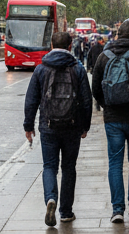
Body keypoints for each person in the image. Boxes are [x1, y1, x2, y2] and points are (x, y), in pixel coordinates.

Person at [23, 30, 92, 226]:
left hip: (48, 126)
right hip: (72, 127)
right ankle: (66, 212)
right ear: (70, 46)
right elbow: (87, 101)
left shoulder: (41, 68)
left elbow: (31, 100)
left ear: (51, 45)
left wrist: (28, 125)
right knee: (69, 168)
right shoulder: (78, 68)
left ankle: (51, 199)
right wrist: (84, 126)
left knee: (49, 166)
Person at [91, 19, 129, 224]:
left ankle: (117, 209)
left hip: (113, 119)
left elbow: (95, 90)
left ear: (117, 36)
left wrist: (107, 105)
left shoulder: (103, 57)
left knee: (115, 163)